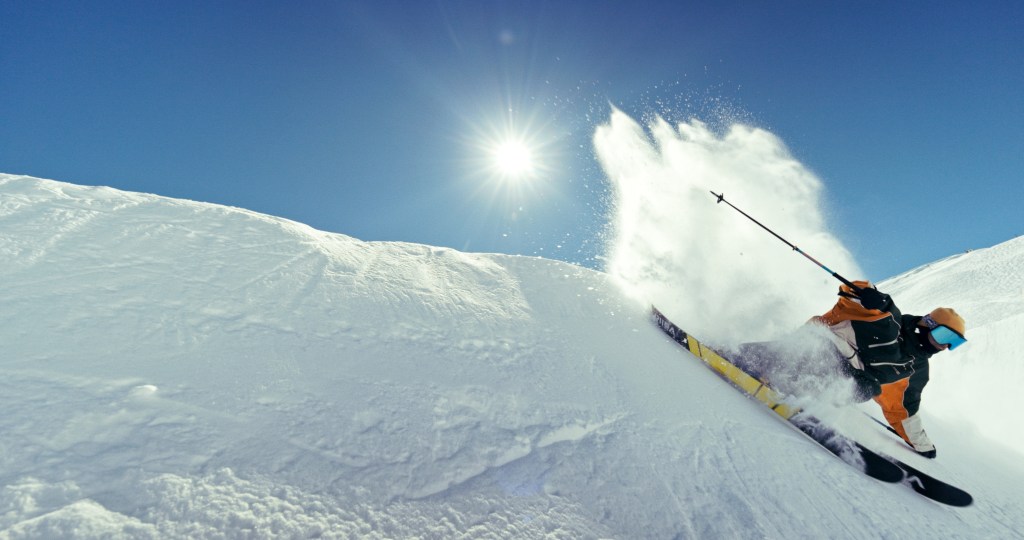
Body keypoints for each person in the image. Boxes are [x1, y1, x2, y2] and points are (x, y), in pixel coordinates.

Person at [808, 280, 967, 459]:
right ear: (927, 324)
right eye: (944, 335)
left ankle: (803, 395)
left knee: (866, 387)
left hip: (832, 372)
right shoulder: (886, 318)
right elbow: (851, 294)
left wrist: (922, 444)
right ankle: (791, 377)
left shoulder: (916, 368)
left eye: (953, 342)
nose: (945, 345)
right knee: (853, 377)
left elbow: (902, 409)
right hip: (816, 343)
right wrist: (868, 295)